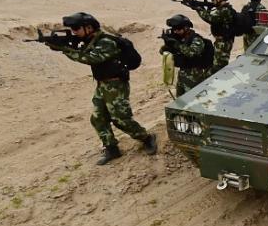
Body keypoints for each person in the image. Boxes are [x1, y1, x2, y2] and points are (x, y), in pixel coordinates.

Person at [46, 12, 156, 165]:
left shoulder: (106, 42)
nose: (74, 32)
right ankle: (111, 148)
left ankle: (147, 138)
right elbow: (83, 51)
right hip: (102, 85)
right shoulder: (91, 40)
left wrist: (65, 49)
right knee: (98, 118)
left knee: (120, 119)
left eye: (76, 28)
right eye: (72, 29)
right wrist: (61, 44)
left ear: (89, 27)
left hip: (116, 85)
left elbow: (90, 58)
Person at [160, 14, 213, 96]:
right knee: (180, 99)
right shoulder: (180, 39)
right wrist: (167, 45)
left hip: (194, 75)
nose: (175, 31)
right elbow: (163, 52)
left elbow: (191, 53)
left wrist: (176, 44)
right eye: (174, 29)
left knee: (193, 98)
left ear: (186, 28)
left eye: (178, 29)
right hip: (182, 74)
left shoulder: (196, 40)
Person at [194, 0, 238, 73]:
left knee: (219, 67)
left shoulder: (225, 10)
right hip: (221, 42)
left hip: (224, 42)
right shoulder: (222, 9)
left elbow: (210, 18)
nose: (212, 1)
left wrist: (199, 9)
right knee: (216, 64)